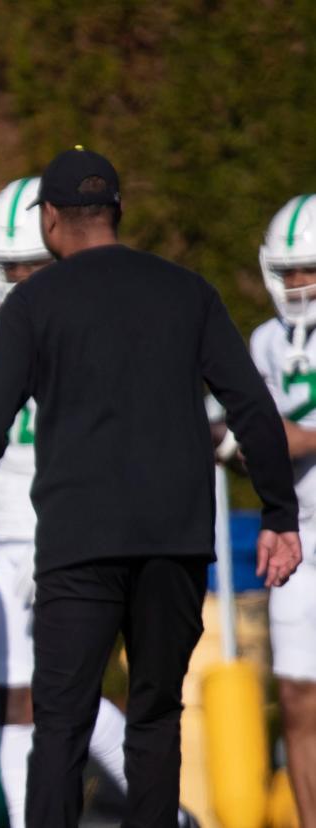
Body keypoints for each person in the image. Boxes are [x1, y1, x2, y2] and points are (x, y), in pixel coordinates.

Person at [0, 147, 302, 827]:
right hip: (173, 541)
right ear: (118, 212)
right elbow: (251, 410)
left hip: (79, 543)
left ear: (51, 220)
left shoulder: (31, 305)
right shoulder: (189, 292)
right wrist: (279, 514)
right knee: (154, 718)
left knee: (59, 724)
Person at [0, 177, 197, 827]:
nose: (22, 282)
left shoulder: (115, 319)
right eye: (10, 269)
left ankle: (161, 810)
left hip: (73, 525)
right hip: (10, 526)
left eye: (32, 268)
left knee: (61, 696)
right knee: (17, 699)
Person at [253, 194, 316, 825]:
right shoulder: (266, 341)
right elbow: (261, 436)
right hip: (301, 540)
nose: (298, 285)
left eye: (310, 271)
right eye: (289, 271)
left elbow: (291, 435)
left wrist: (299, 437)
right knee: (297, 698)